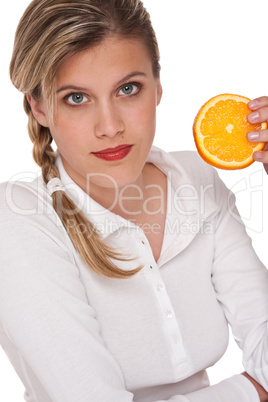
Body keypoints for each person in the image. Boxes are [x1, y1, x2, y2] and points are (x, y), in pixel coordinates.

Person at [0, 0, 267, 401]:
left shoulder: (196, 179)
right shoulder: (20, 218)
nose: (110, 127)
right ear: (39, 106)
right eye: (76, 98)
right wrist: (251, 390)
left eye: (128, 89)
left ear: (158, 87)